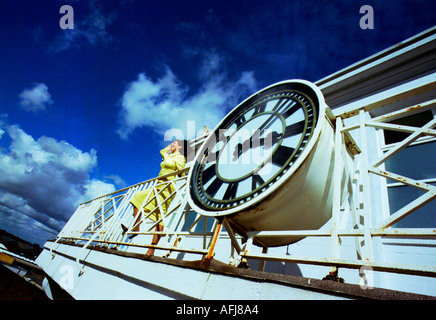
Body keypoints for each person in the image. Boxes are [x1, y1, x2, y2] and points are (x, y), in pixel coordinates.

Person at [122, 139, 187, 255]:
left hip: (167, 188)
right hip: (158, 185)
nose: (172, 144)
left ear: (181, 147)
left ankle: (151, 249)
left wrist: (180, 169)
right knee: (137, 198)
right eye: (172, 143)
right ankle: (136, 227)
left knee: (160, 217)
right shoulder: (168, 156)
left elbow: (181, 172)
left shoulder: (180, 158)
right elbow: (162, 151)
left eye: (175, 143)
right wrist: (170, 147)